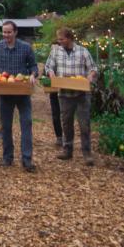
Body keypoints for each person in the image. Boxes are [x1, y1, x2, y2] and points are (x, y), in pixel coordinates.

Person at [0, 20, 39, 172]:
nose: (6, 35)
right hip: (4, 91)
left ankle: (27, 159)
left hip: (22, 91)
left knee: (26, 123)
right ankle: (7, 157)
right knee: (6, 126)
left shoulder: (25, 47)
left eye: (9, 32)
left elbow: (34, 66)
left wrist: (32, 75)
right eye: (4, 32)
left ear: (15, 32)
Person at [44, 27, 99, 164]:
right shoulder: (56, 51)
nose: (59, 41)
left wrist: (90, 78)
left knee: (84, 124)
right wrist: (51, 74)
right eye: (59, 39)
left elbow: (93, 68)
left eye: (61, 39)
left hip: (81, 94)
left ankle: (87, 153)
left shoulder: (82, 51)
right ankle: (67, 150)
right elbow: (48, 67)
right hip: (64, 93)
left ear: (69, 38)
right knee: (66, 123)